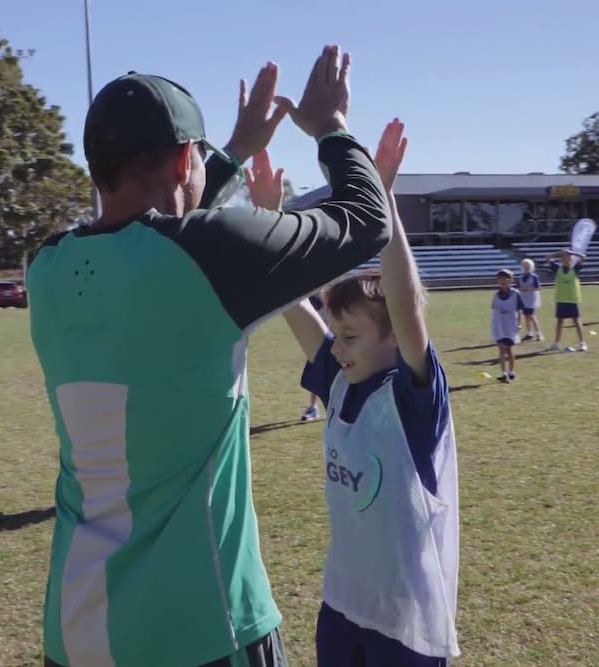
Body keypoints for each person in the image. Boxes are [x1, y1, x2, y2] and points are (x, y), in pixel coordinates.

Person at [27, 46, 393, 667]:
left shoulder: (47, 269)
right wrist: (331, 128)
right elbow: (365, 220)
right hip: (203, 627)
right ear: (182, 158)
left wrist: (234, 150)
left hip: (76, 630)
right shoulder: (209, 257)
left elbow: (160, 232)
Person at [249, 119, 460, 666]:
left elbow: (407, 305)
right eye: (335, 335)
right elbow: (293, 304)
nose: (336, 347)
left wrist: (382, 198)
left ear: (392, 338)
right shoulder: (340, 382)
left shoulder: (413, 399)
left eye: (350, 335)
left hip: (405, 622)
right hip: (342, 606)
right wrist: (270, 223)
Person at [543, 248, 587, 352]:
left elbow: (583, 257)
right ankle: (557, 343)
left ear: (570, 258)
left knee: (576, 321)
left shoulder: (574, 269)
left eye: (567, 257)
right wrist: (558, 253)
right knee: (559, 322)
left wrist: (572, 252)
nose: (565, 259)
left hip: (572, 300)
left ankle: (582, 343)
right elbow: (547, 258)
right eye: (563, 257)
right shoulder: (557, 269)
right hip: (561, 299)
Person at [491, 269, 520, 382]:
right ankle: (503, 373)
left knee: (510, 349)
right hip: (500, 325)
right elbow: (495, 310)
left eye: (506, 278)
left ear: (511, 280)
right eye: (500, 279)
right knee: (501, 348)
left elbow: (519, 310)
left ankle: (511, 371)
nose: (503, 281)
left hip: (511, 324)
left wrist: (519, 324)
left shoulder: (515, 294)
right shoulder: (496, 295)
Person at [516, 257, 543, 341]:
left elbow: (538, 288)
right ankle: (529, 333)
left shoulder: (534, 277)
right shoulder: (520, 278)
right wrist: (522, 289)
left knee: (531, 316)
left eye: (528, 266)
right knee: (526, 316)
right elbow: (518, 288)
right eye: (525, 266)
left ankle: (539, 333)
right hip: (523, 299)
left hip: (531, 299)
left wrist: (528, 289)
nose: (526, 268)